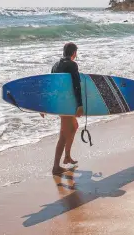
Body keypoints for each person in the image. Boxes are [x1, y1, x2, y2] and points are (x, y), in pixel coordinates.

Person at [49, 42, 83, 175]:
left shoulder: (55, 66)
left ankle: (67, 156)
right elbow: (77, 85)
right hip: (67, 104)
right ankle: (56, 167)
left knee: (73, 127)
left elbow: (50, 85)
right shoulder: (72, 64)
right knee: (64, 134)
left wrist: (44, 106)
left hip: (59, 103)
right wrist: (80, 105)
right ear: (74, 53)